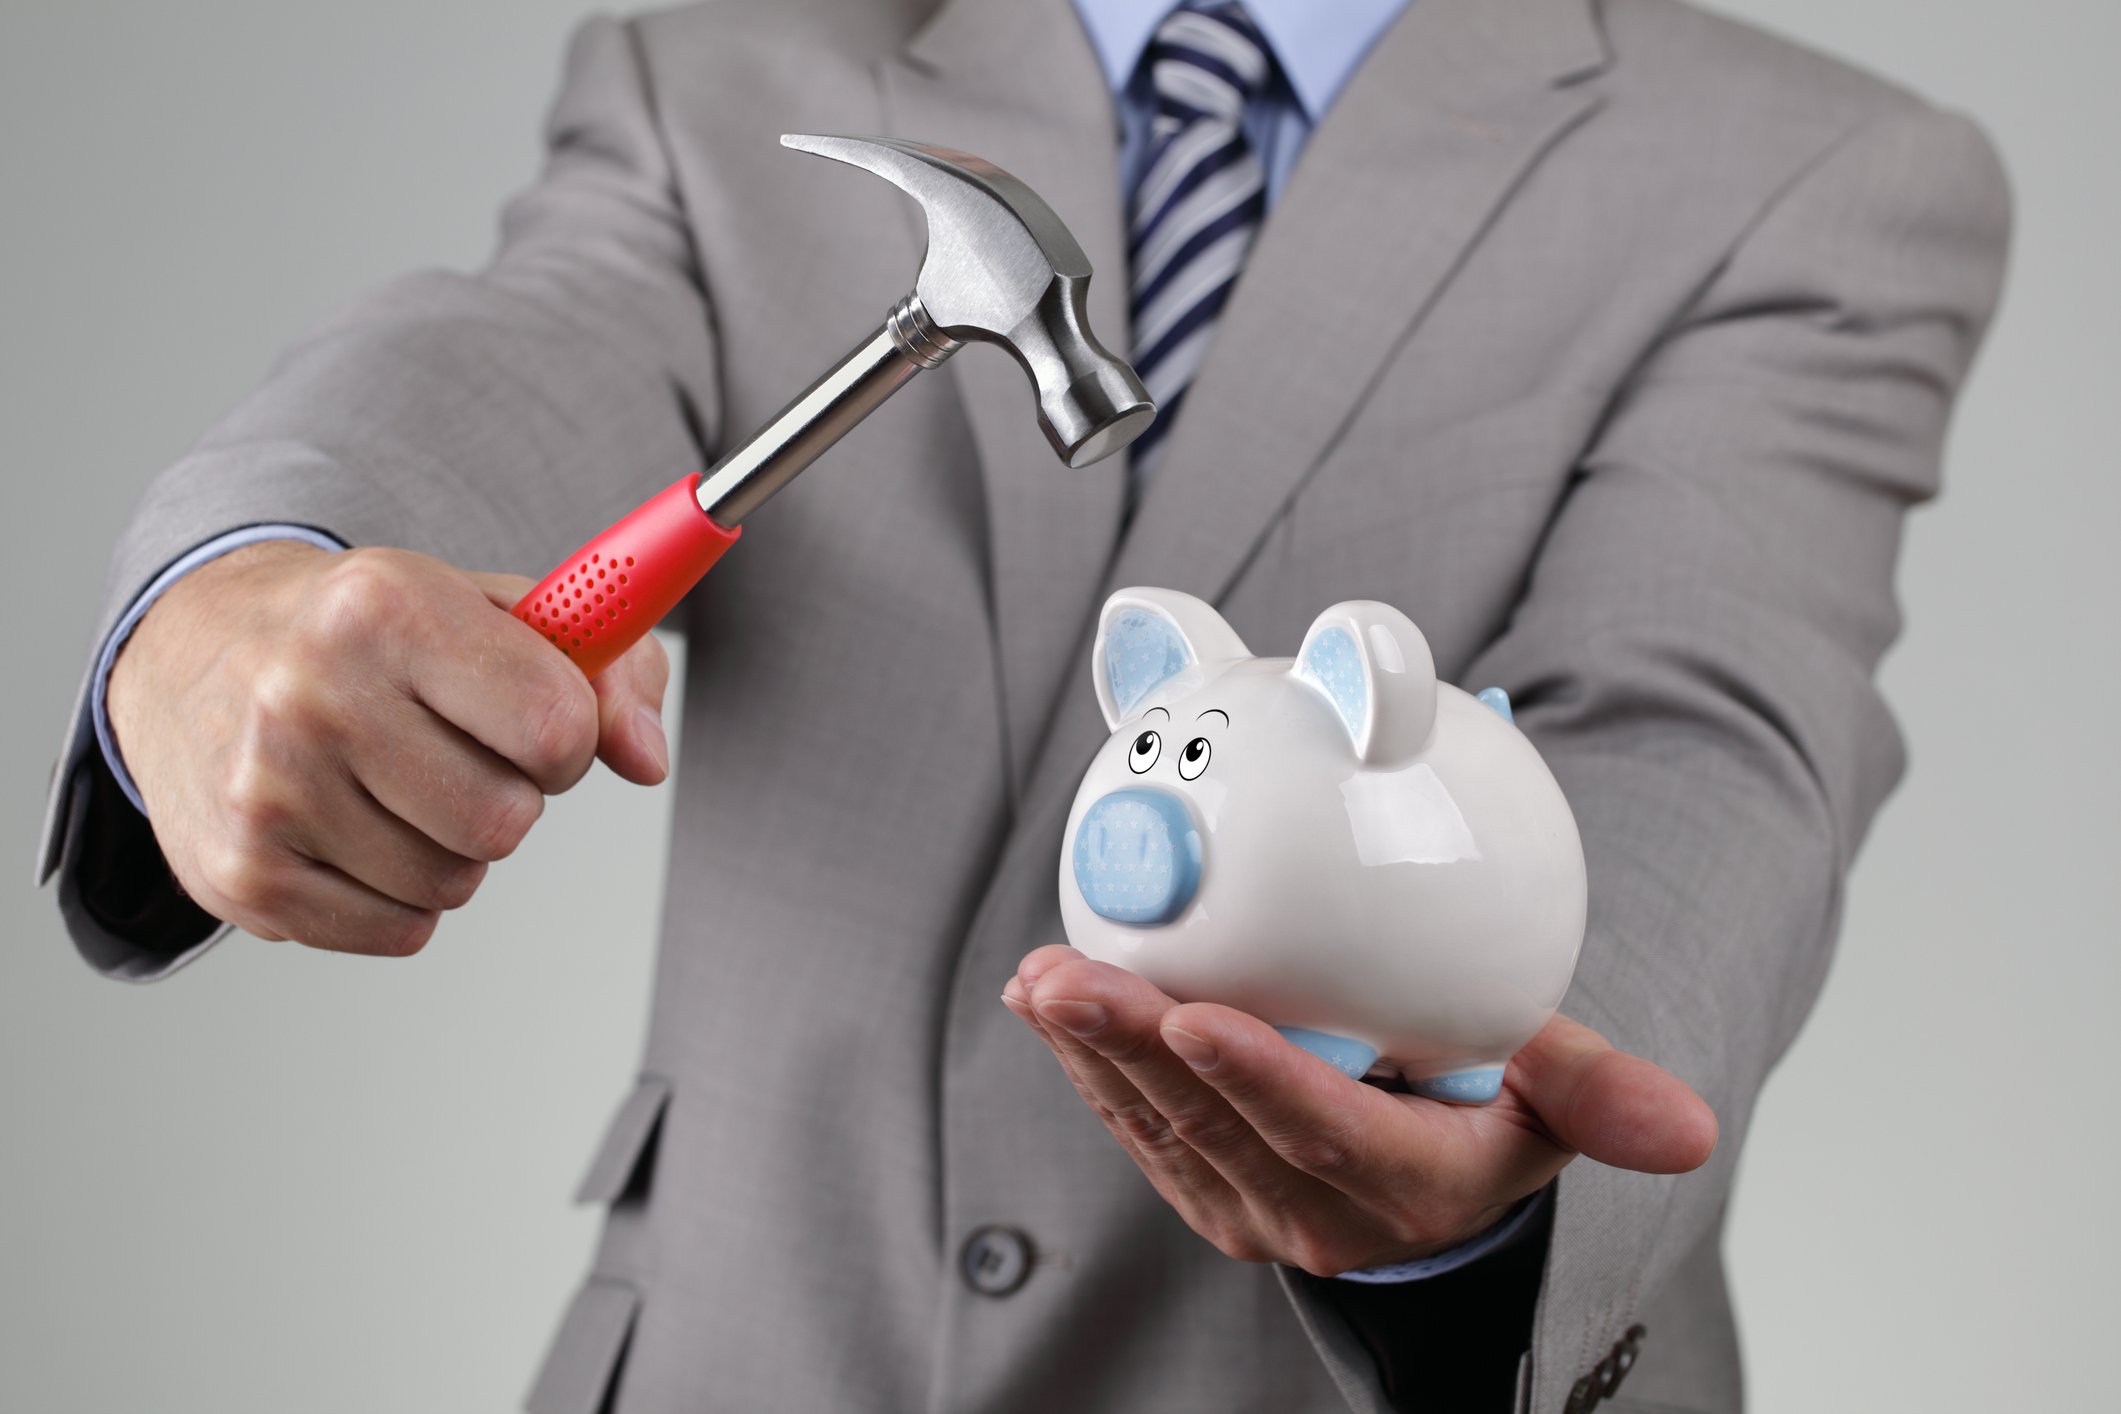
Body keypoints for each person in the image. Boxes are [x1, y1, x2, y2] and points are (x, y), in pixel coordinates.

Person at [36, 0, 2009, 1409]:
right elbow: (495, 362)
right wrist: (243, 585)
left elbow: (1695, 734)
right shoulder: (721, 68)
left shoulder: (1806, 175)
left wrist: (1501, 1097)